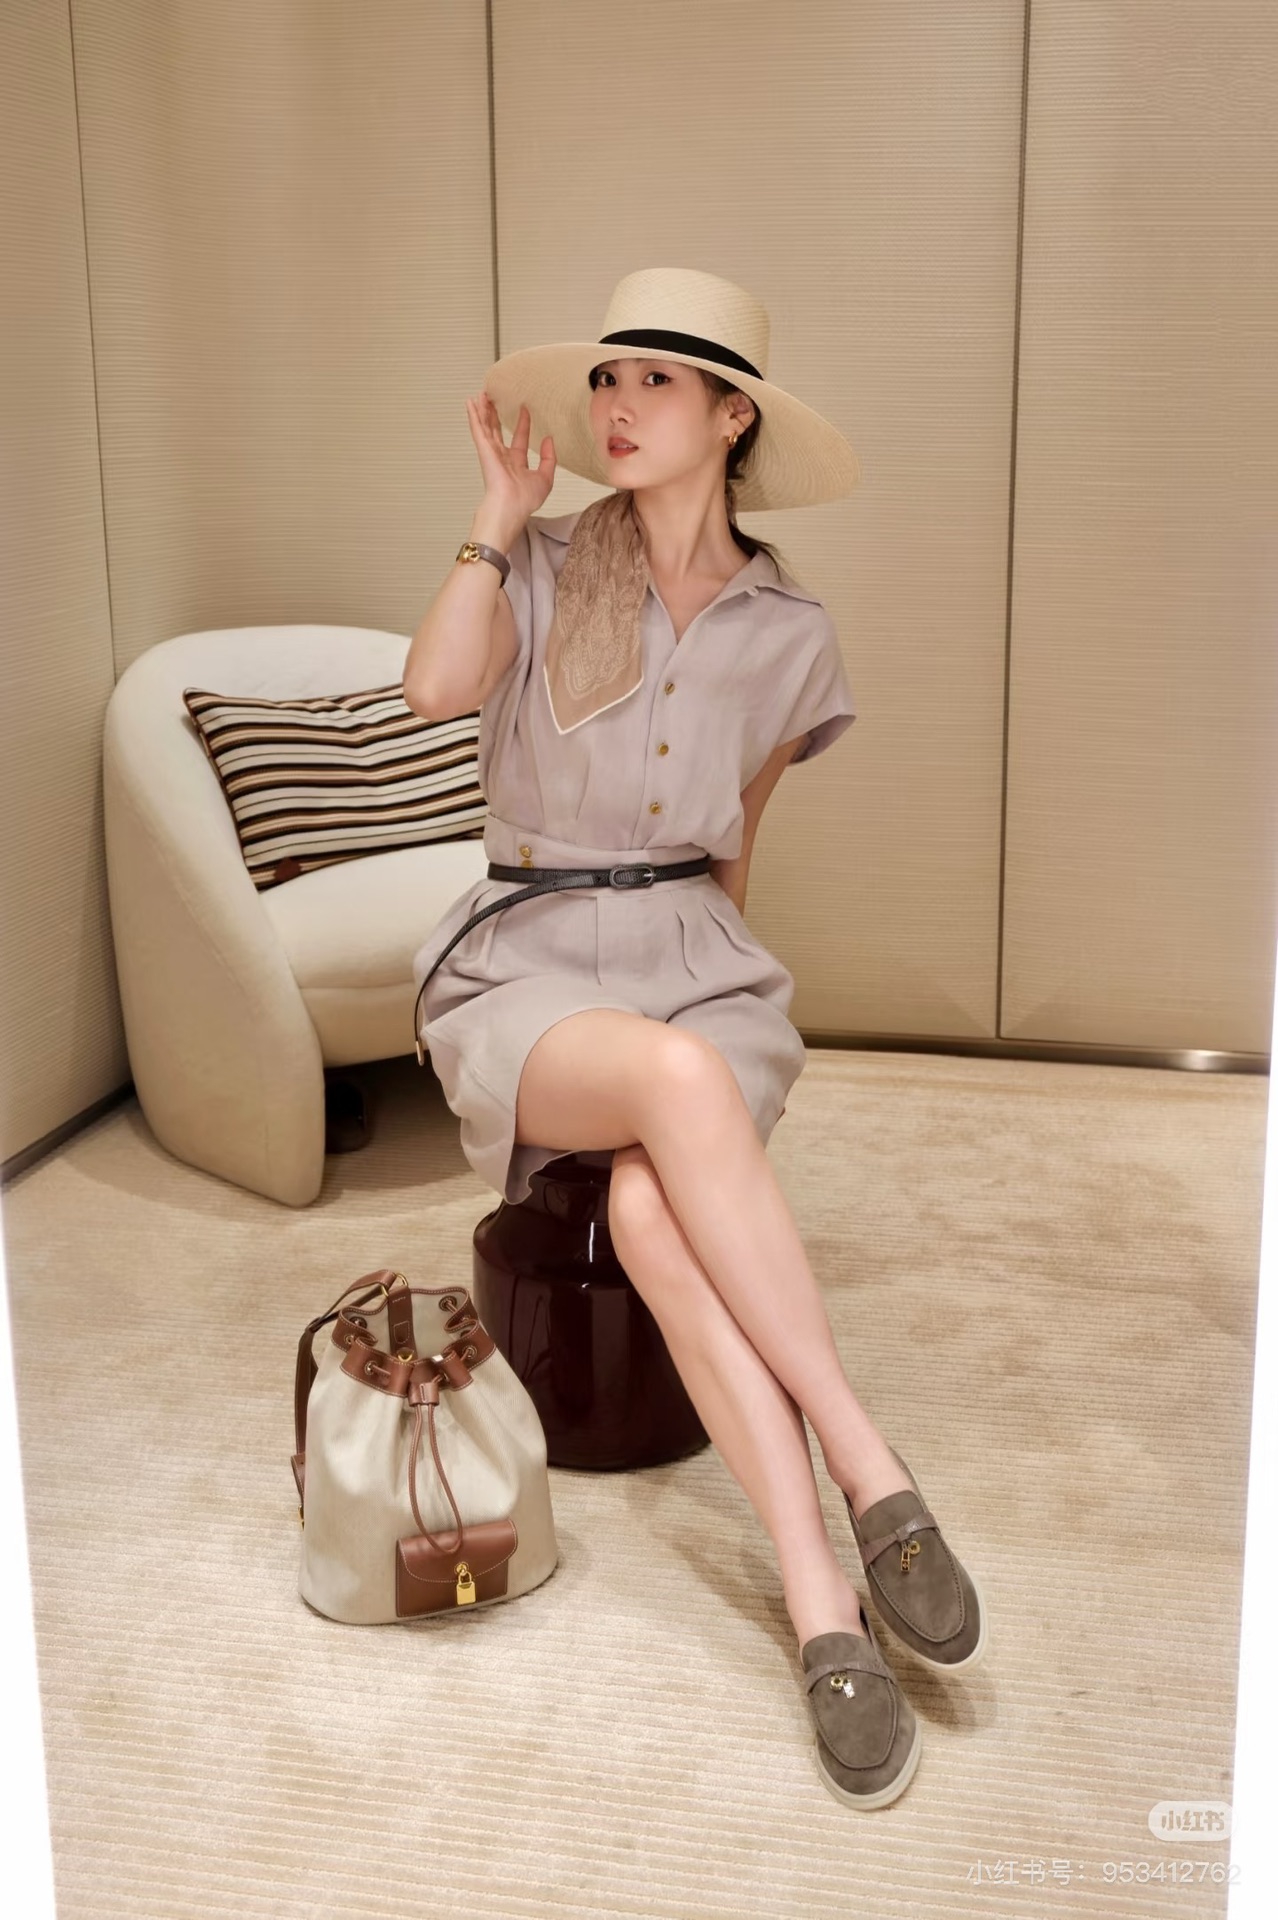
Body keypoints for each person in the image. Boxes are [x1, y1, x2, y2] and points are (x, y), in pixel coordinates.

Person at [403, 268, 987, 1810]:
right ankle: (868, 1462)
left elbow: (737, 847)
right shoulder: (534, 565)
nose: (615, 406)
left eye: (654, 381)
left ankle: (819, 1606)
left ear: (732, 419)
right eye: (607, 378)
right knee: (666, 1083)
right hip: (525, 964)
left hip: (694, 962)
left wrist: (728, 995)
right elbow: (433, 689)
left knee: (663, 1209)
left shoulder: (790, 632)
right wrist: (493, 514)